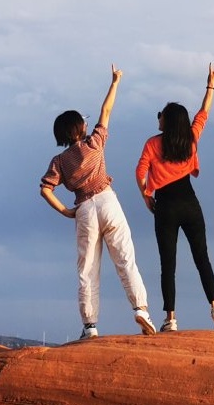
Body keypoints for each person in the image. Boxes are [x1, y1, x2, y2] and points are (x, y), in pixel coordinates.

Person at [40, 65, 157, 339]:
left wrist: (66, 211)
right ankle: (141, 309)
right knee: (126, 258)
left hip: (84, 209)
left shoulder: (59, 162)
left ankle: (90, 325)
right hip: (107, 201)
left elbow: (45, 190)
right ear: (79, 128)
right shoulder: (94, 143)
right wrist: (115, 82)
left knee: (87, 269)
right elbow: (106, 112)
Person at [135, 63, 214, 333]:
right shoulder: (191, 138)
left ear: (167, 120)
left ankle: (171, 318)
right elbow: (204, 113)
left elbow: (140, 171)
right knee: (203, 258)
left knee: (168, 265)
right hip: (190, 203)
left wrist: (146, 195)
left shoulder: (153, 143)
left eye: (160, 115)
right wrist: (211, 86)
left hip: (165, 206)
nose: (158, 119)